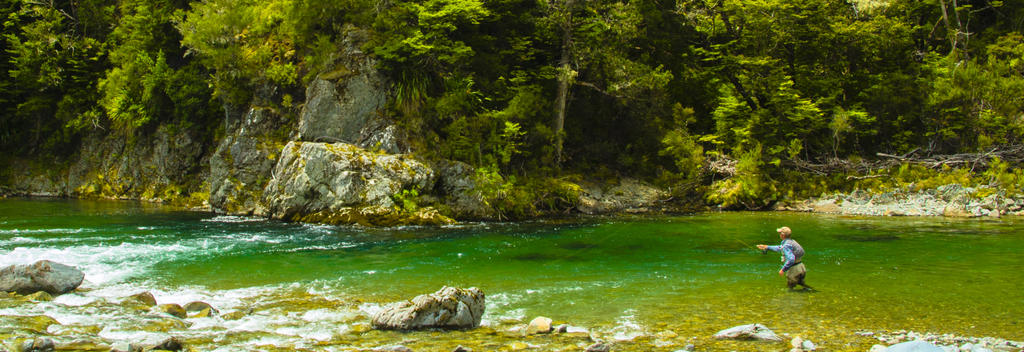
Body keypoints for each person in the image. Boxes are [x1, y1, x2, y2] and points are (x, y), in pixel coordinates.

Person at [756, 226, 811, 290]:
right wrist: (766, 247)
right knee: (802, 285)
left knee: (790, 290)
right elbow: (780, 248)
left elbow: (791, 259)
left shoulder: (786, 245)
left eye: (780, 233)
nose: (779, 235)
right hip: (801, 267)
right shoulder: (791, 242)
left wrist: (783, 269)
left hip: (794, 270)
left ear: (782, 235)